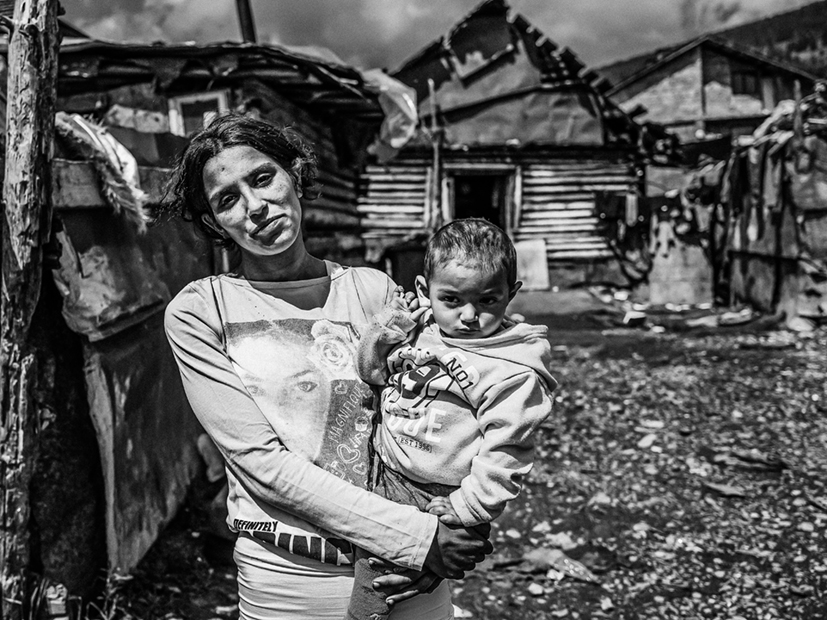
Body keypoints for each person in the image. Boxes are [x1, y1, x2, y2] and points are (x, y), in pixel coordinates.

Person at [162, 113, 492, 620]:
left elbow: (446, 413)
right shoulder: (202, 311)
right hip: (289, 580)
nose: (255, 206)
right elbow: (261, 463)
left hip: (409, 577)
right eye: (227, 200)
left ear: (294, 175)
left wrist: (464, 520)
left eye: (263, 178)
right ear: (213, 223)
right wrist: (416, 537)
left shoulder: (371, 291)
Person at [347, 219, 557, 620]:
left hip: (435, 492)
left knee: (375, 587)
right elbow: (371, 372)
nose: (470, 315)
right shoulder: (417, 329)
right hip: (382, 468)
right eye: (452, 299)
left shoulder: (511, 370)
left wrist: (467, 507)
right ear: (424, 290)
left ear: (511, 294)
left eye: (488, 300)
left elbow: (508, 451)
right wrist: (389, 329)